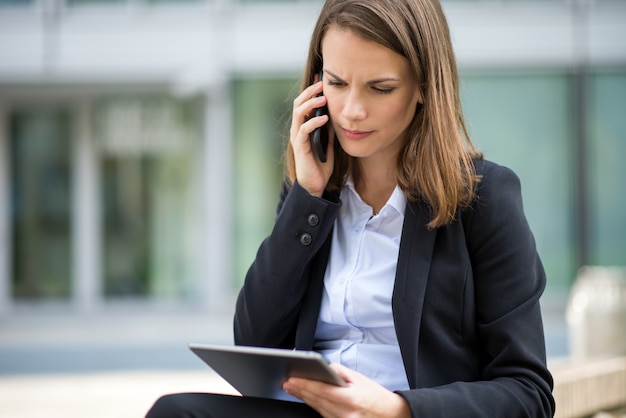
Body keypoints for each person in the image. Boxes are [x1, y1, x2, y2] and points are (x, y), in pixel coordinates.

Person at [146, 0, 555, 416]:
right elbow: (254, 341)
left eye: (380, 88)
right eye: (337, 84)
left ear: (424, 89)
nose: (352, 111)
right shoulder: (312, 194)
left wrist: (397, 409)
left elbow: (529, 394)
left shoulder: (484, 198)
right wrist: (307, 197)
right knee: (176, 411)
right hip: (311, 410)